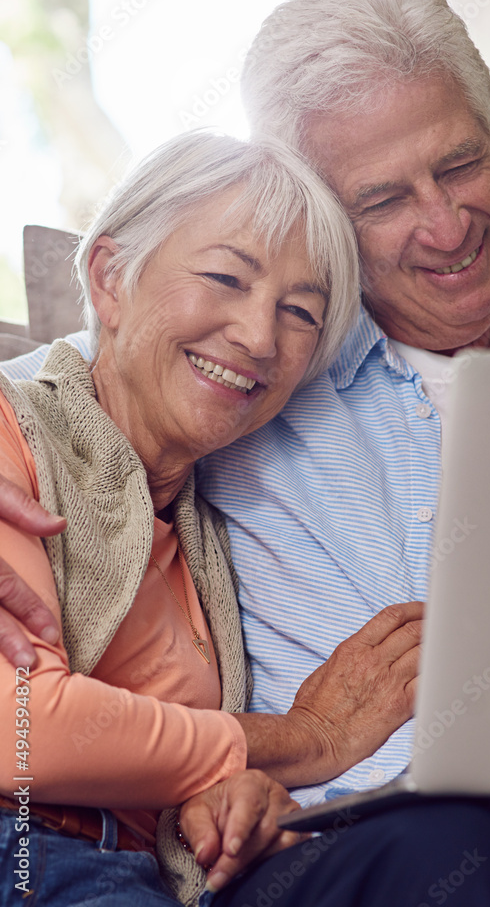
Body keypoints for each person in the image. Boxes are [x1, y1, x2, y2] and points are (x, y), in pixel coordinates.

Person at [3, 0, 490, 905]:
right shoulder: (247, 381)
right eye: (381, 200)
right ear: (313, 217)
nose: (445, 224)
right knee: (441, 852)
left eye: (458, 164)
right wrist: (300, 743)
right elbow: (115, 364)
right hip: (353, 848)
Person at [0, 129, 431, 906]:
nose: (260, 337)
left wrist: (236, 796)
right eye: (226, 278)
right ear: (110, 279)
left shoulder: (216, 533)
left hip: (145, 877)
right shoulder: (13, 428)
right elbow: (22, 730)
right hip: (23, 850)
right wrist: (304, 740)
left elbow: (163, 770)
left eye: (300, 312)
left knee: (430, 850)